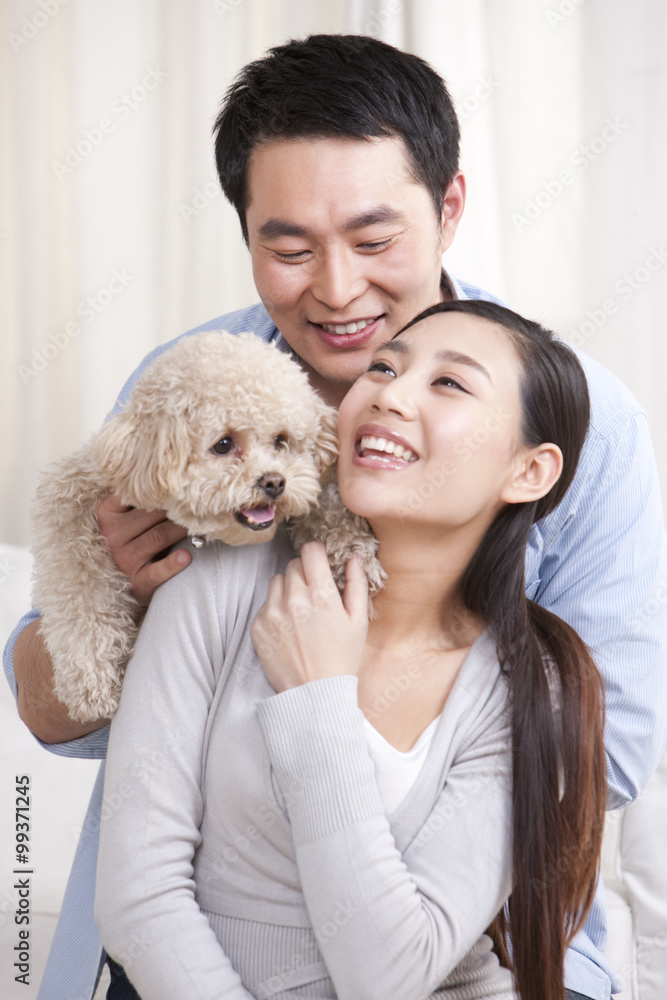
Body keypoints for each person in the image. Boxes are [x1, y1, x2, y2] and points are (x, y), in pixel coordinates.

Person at [3, 33, 664, 1000]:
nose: (338, 289)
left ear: (448, 209)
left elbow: (602, 748)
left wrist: (366, 852)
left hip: (471, 935)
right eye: (288, 246)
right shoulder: (192, 391)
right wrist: (135, 599)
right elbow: (50, 710)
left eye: (374, 237)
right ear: (243, 234)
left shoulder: (572, 415)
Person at [95, 299, 606, 1000]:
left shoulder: (528, 682)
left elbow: (391, 976)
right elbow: (138, 901)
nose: (388, 394)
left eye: (448, 383)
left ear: (528, 471)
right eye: (383, 367)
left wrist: (318, 699)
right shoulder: (220, 579)